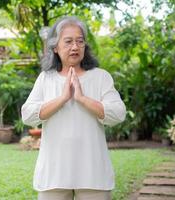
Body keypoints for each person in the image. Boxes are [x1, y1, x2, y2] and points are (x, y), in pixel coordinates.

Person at [21, 16, 126, 200]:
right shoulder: (46, 79)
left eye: (80, 41)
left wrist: (82, 98)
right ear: (55, 47)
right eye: (68, 41)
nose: (75, 47)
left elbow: (118, 113)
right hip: (53, 175)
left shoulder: (100, 77)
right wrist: (62, 98)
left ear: (85, 46)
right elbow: (28, 115)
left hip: (93, 174)